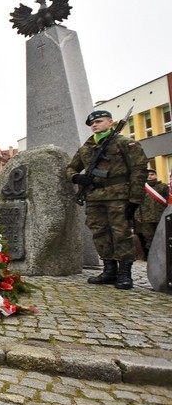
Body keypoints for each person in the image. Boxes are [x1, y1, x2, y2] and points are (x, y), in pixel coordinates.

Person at [68, 110, 148, 289]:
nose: (95, 125)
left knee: (121, 233)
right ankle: (109, 270)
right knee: (99, 233)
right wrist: (76, 178)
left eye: (99, 121)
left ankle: (125, 274)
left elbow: (139, 170)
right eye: (92, 124)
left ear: (110, 122)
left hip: (119, 196)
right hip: (94, 197)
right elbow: (70, 168)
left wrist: (135, 199)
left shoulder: (125, 143)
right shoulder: (85, 148)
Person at [135, 168, 169, 257]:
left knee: (163, 238)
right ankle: (152, 257)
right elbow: (137, 203)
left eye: (152, 174)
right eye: (148, 174)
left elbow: (168, 202)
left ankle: (164, 256)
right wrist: (138, 215)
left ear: (156, 175)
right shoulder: (141, 188)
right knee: (149, 239)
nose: (150, 176)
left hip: (160, 217)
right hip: (146, 218)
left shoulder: (163, 187)